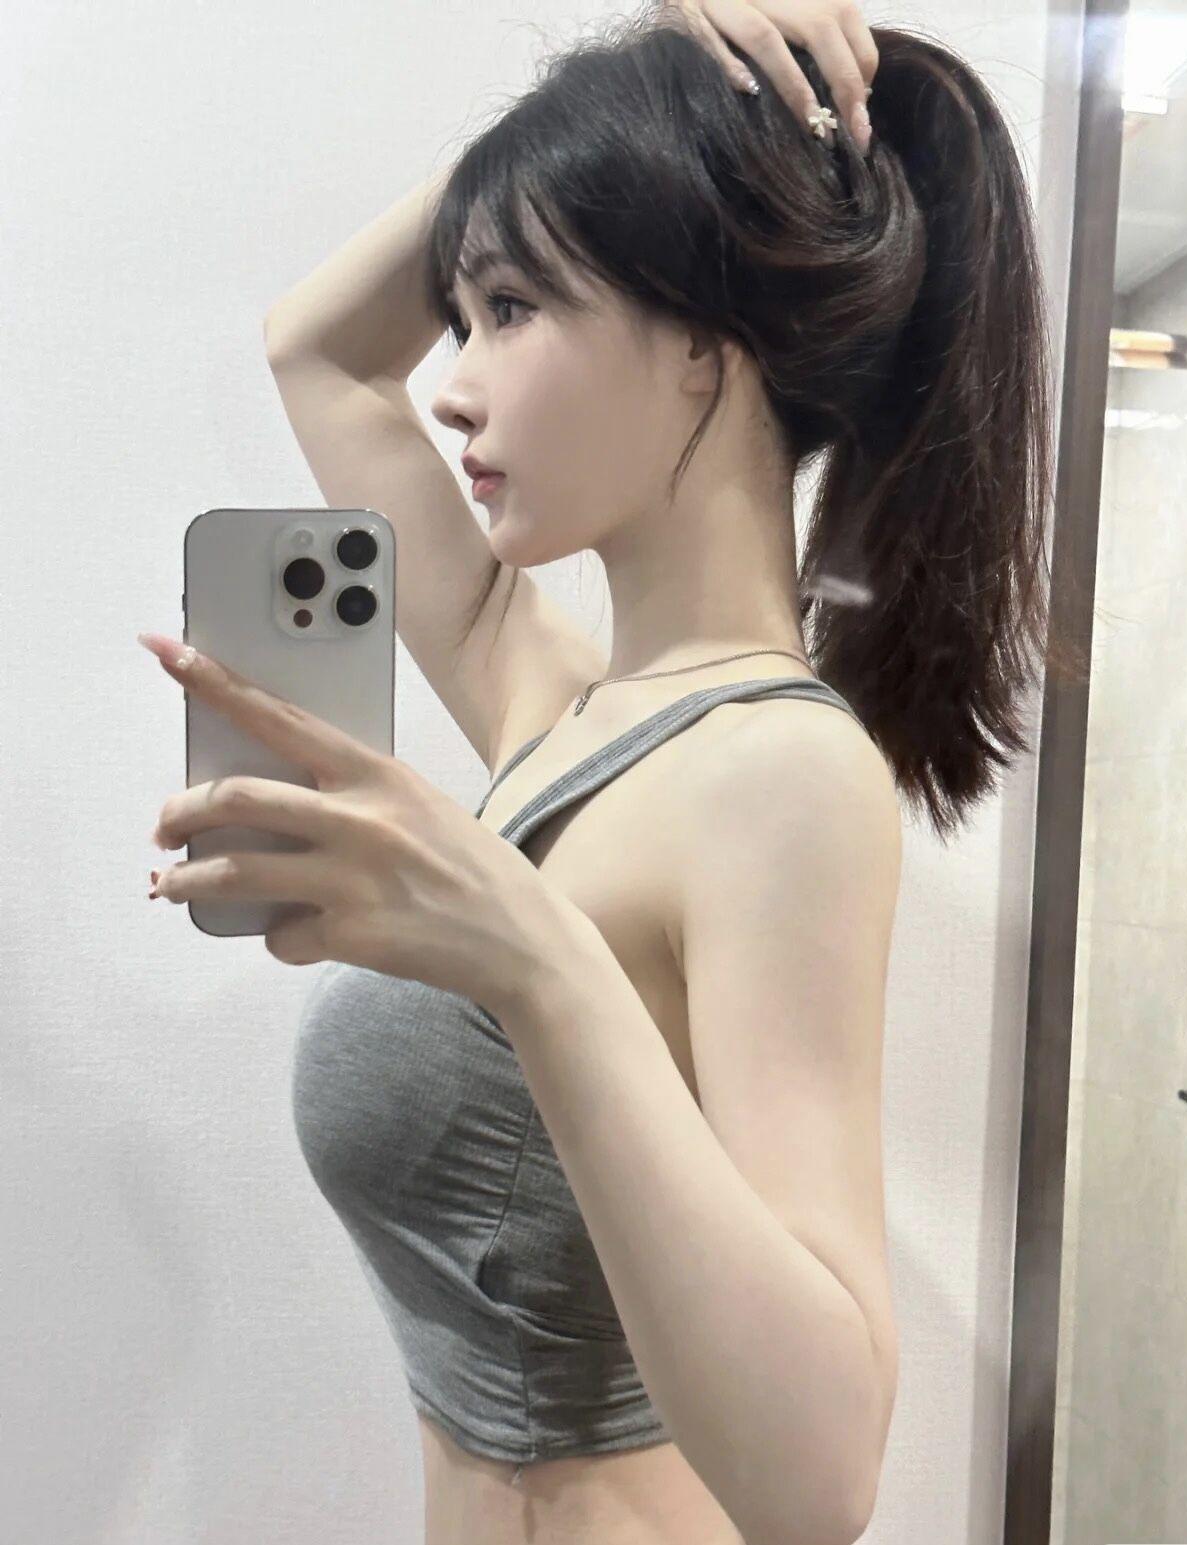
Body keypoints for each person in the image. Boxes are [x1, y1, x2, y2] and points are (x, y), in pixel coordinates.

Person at [269, 2, 1073, 1539]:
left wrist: (532, 959)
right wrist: (655, 64)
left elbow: (820, 1479)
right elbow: (316, 353)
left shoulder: (776, 774)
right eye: (463, 314)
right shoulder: (556, 709)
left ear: (703, 348)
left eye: (511, 309)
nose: (452, 384)